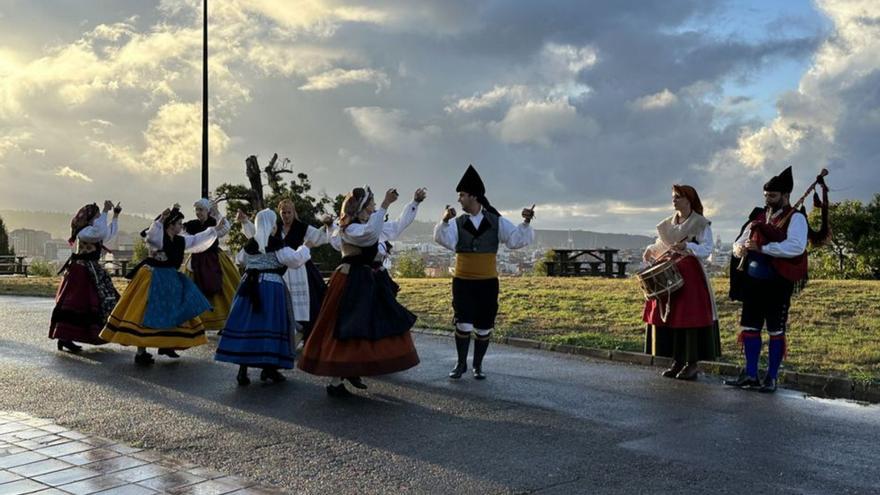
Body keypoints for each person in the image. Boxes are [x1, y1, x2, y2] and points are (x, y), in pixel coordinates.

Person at [298, 187, 420, 397]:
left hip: (364, 280)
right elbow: (369, 235)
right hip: (350, 281)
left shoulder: (363, 225)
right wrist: (385, 204)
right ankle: (337, 380)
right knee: (347, 326)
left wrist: (414, 203)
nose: (373, 208)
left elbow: (396, 226)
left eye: (373, 204)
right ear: (362, 208)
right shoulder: (351, 229)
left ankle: (351, 370)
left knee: (365, 325)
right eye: (370, 204)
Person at [434, 165, 535, 380]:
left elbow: (516, 240)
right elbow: (443, 239)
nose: (459, 199)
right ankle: (461, 364)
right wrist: (443, 220)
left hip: (487, 283)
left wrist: (526, 221)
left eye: (462, 195)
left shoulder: (495, 221)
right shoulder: (456, 223)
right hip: (463, 282)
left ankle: (477, 366)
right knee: (463, 322)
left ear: (473, 196)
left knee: (483, 326)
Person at [99, 204, 229, 365]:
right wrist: (161, 218)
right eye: (179, 224)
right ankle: (141, 352)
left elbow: (197, 239)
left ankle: (167, 344)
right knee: (144, 311)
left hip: (170, 278)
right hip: (151, 277)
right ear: (170, 225)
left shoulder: (180, 240)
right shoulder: (158, 239)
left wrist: (214, 230)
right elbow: (152, 234)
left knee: (174, 310)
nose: (182, 226)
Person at [724, 166, 808, 393]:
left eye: (772, 196)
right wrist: (739, 250)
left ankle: (771, 377)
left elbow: (796, 246)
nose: (768, 200)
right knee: (750, 328)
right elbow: (739, 241)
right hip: (753, 282)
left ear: (786, 196)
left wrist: (764, 247)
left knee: (775, 331)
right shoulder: (758, 217)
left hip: (777, 284)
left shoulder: (796, 218)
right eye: (766, 196)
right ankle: (750, 374)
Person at [215, 209, 312, 386]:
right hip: (271, 287)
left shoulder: (251, 244)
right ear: (271, 224)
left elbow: (240, 260)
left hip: (249, 285)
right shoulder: (276, 243)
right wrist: (305, 248)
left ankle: (243, 370)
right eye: (274, 223)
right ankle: (270, 367)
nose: (276, 227)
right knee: (271, 324)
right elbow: (294, 261)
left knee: (248, 324)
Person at [642, 185, 721, 380]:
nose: (674, 200)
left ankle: (692, 363)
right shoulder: (668, 224)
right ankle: (677, 360)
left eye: (678, 197)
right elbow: (663, 245)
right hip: (669, 274)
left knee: (689, 316)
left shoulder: (700, 223)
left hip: (691, 276)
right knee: (672, 316)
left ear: (689, 200)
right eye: (673, 197)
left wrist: (688, 246)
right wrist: (651, 249)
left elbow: (707, 248)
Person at [239, 198, 333, 344]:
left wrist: (329, 226)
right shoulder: (274, 227)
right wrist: (245, 222)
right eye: (283, 213)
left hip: (300, 269)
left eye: (289, 212)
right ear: (279, 213)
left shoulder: (302, 227)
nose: (286, 216)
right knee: (282, 305)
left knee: (309, 303)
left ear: (294, 212)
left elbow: (320, 237)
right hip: (280, 271)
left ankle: (304, 334)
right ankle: (284, 334)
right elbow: (258, 234)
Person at [49, 201, 121, 352]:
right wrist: (105, 211)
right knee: (78, 303)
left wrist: (115, 216)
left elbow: (108, 235)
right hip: (81, 271)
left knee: (96, 301)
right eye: (96, 216)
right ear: (89, 218)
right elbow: (101, 232)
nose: (98, 218)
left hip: (90, 269)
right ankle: (65, 337)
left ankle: (69, 338)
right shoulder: (84, 232)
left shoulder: (91, 231)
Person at [182, 198, 240, 332]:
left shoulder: (214, 222)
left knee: (221, 288)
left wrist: (217, 212)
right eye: (197, 210)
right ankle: (196, 321)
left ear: (208, 211)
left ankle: (223, 321)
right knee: (194, 289)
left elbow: (225, 228)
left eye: (201, 210)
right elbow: (183, 236)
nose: (198, 212)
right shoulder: (191, 225)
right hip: (196, 260)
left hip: (214, 258)